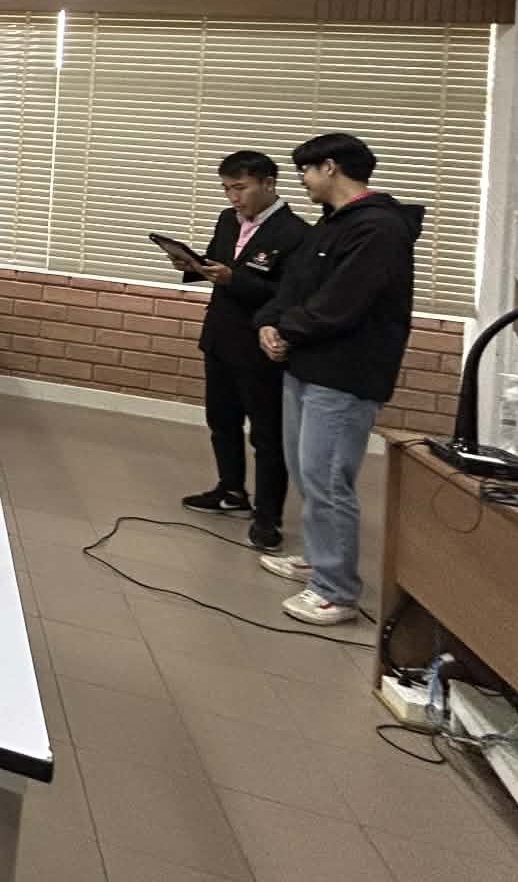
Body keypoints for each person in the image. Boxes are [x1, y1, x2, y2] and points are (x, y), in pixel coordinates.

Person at [254, 133, 422, 627]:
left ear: (330, 168)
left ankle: (336, 590)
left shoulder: (379, 229)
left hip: (345, 374)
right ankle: (318, 559)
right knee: (307, 471)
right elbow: (294, 286)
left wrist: (287, 329)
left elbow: (343, 302)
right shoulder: (331, 224)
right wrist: (268, 323)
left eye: (306, 171)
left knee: (328, 478)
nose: (302, 181)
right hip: (305, 364)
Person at [179, 151, 311, 551]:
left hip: (261, 347)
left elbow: (289, 295)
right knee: (221, 420)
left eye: (240, 188)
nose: (233, 197)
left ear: (268, 184)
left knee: (267, 436)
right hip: (220, 337)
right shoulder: (227, 220)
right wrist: (191, 266)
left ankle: (268, 518)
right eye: (226, 189)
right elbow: (217, 264)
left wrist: (233, 279)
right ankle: (231, 489)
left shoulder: (296, 234)